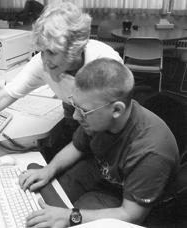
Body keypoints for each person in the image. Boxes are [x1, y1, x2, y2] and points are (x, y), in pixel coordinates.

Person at [0, 2, 123, 150]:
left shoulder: (106, 63)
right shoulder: (43, 63)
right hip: (73, 114)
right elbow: (3, 96)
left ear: (74, 48)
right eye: (41, 51)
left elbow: (119, 116)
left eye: (51, 52)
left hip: (104, 121)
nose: (44, 60)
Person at [18, 58, 180, 227]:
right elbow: (77, 146)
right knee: (37, 197)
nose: (75, 117)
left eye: (83, 111)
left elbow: (131, 216)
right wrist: (47, 170)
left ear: (117, 110)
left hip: (120, 195)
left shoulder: (151, 152)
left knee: (71, 222)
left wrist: (70, 217)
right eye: (75, 105)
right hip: (97, 170)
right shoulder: (99, 116)